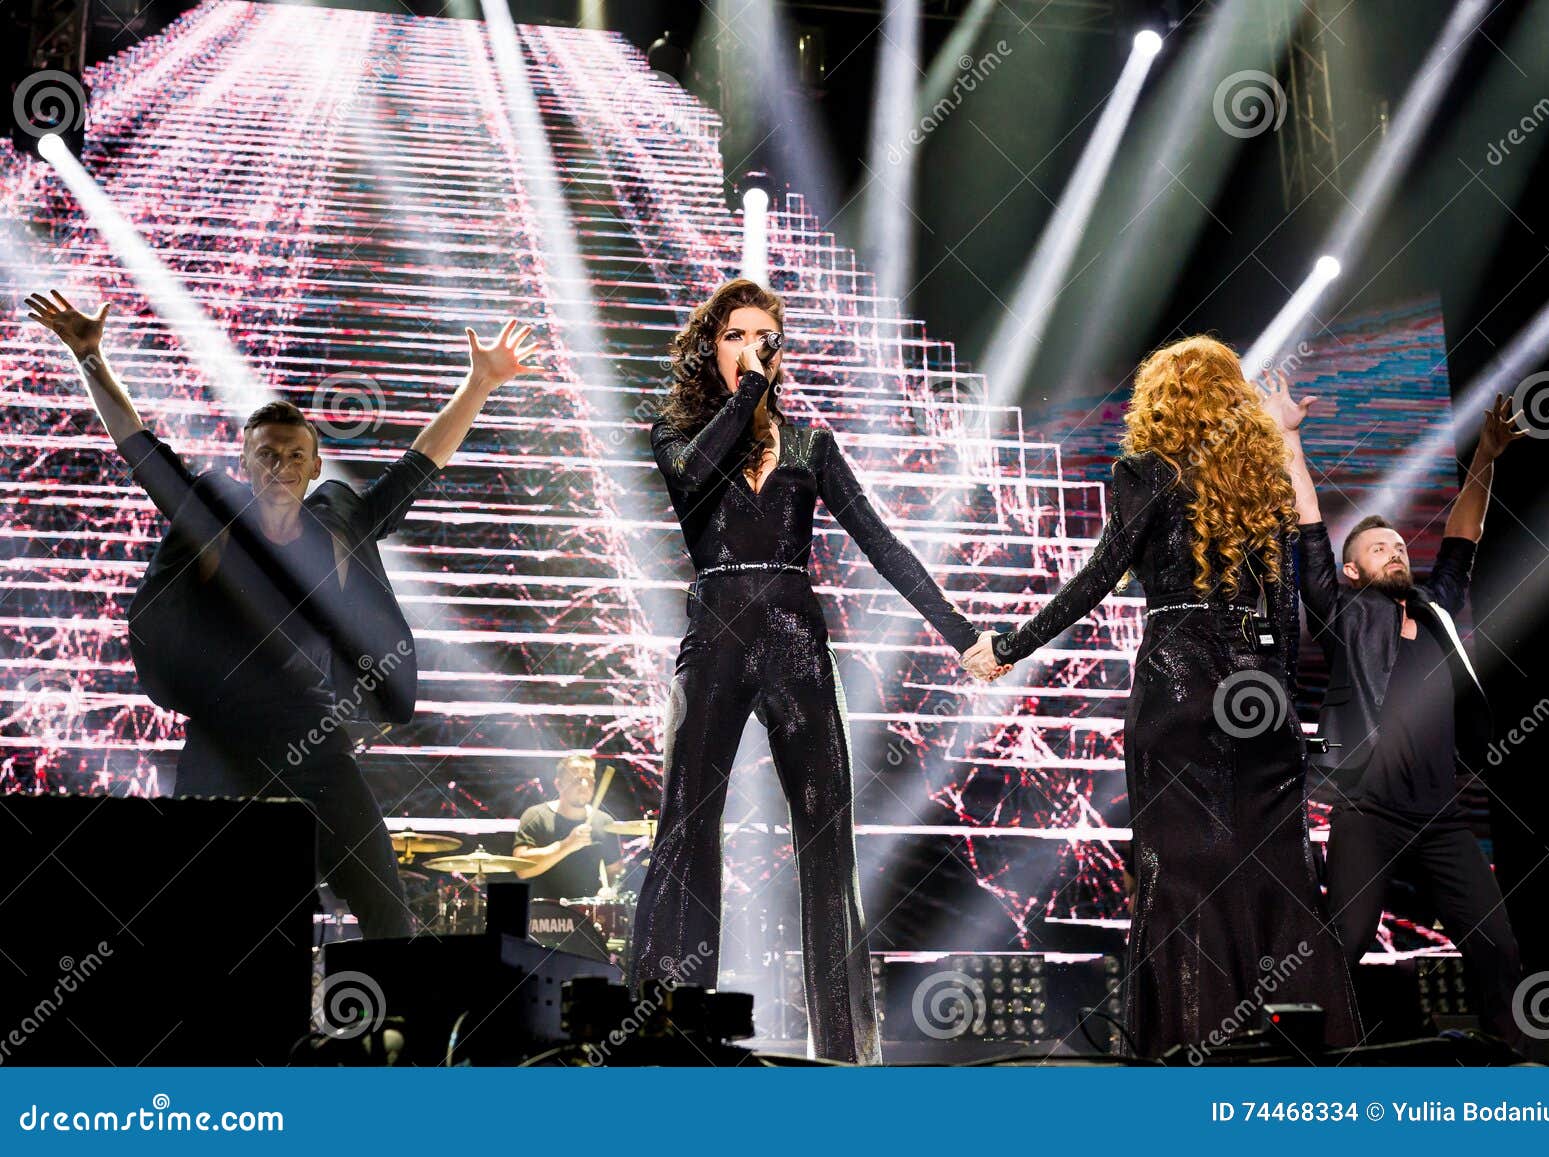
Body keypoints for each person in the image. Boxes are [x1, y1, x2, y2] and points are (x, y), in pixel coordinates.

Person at [26, 289, 538, 939]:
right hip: (223, 745)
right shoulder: (217, 527)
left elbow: (420, 464)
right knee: (215, 918)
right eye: (267, 452)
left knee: (385, 908)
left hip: (314, 746)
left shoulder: (338, 531)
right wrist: (92, 359)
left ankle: (391, 1035)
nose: (282, 465)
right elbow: (142, 450)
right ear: (245, 460)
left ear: (315, 464)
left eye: (296, 454)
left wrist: (480, 382)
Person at [963, 337, 1360, 1059]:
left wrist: (1007, 646)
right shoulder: (1262, 479)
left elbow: (1094, 580)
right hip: (1259, 693)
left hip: (1178, 692)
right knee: (1277, 869)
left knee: (1180, 874)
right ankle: (1304, 1052)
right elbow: (1293, 613)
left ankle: (1190, 1051)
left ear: (1161, 404)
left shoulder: (1145, 474)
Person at [631, 278, 979, 1065]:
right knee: (687, 826)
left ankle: (849, 1054)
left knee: (827, 841)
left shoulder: (811, 445)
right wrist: (748, 392)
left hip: (795, 643)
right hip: (714, 641)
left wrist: (959, 633)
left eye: (764, 336)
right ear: (709, 350)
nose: (752, 347)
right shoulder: (675, 436)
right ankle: (663, 1042)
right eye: (735, 336)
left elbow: (884, 544)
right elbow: (692, 478)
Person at [1266, 373, 1525, 1042]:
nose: (1395, 550)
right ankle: (1326, 1059)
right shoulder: (1344, 611)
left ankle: (1509, 1053)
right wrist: (1292, 440)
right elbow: (1309, 533)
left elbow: (1464, 537)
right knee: (1346, 940)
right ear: (1354, 571)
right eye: (1379, 548)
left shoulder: (1434, 607)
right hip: (1368, 809)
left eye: (1400, 545)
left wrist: (1486, 458)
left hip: (1440, 814)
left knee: (1496, 942)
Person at [511, 754, 623, 900]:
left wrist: (611, 889)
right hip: (543, 914)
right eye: (576, 780)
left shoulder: (604, 822)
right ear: (559, 784)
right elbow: (521, 869)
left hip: (588, 915)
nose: (584, 785)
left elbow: (615, 871)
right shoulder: (536, 816)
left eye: (589, 780)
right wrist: (567, 845)